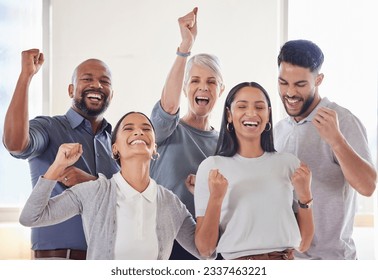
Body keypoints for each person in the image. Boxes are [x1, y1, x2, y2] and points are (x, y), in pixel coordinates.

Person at [19, 112, 209, 260]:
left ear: (154, 149)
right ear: (114, 148)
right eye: (128, 128)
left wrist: (204, 197)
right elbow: (31, 217)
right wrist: (57, 166)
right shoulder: (93, 192)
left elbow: (205, 251)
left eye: (146, 128)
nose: (138, 132)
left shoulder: (170, 203)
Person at [3, 49, 119, 259]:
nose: (97, 85)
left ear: (112, 93)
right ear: (71, 90)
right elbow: (15, 144)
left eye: (105, 81)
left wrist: (91, 183)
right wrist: (25, 77)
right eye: (87, 79)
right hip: (57, 260)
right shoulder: (48, 127)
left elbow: (127, 201)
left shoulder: (118, 143)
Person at [274, 39, 377, 259]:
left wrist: (336, 140)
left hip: (332, 262)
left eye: (300, 84)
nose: (290, 92)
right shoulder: (280, 129)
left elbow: (368, 186)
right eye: (283, 82)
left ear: (318, 80)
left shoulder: (342, 121)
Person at [194, 82, 314, 260]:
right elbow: (205, 250)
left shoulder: (289, 164)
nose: (252, 113)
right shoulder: (211, 168)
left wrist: (305, 195)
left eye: (259, 107)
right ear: (229, 114)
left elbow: (303, 244)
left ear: (268, 114)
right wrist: (216, 198)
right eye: (242, 106)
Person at [150, 7, 225, 259]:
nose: (203, 87)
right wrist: (185, 47)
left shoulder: (225, 144)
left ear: (221, 90)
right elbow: (169, 106)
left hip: (207, 249)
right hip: (163, 247)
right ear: (185, 87)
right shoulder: (166, 130)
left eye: (211, 82)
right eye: (195, 81)